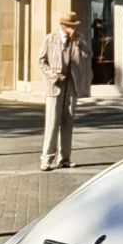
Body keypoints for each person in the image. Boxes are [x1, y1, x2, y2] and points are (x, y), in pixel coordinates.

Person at [38, 12, 91, 171]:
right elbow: (41, 61)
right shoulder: (50, 38)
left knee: (68, 124)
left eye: (74, 26)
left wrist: (78, 40)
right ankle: (46, 159)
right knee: (52, 123)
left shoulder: (78, 39)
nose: (72, 28)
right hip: (55, 86)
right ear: (63, 25)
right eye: (70, 26)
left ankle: (64, 159)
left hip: (71, 86)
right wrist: (53, 76)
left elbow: (88, 54)